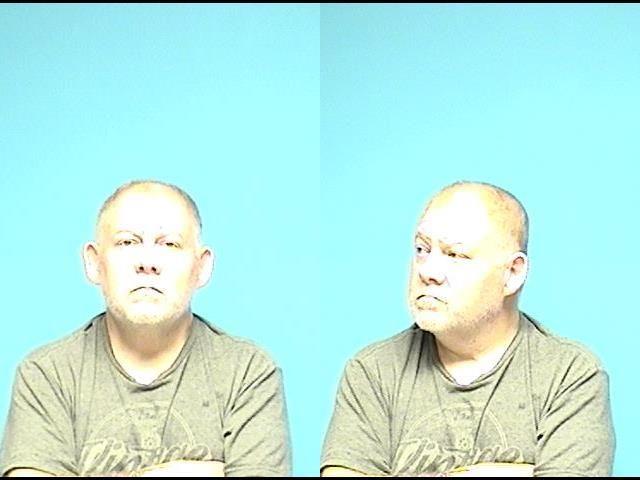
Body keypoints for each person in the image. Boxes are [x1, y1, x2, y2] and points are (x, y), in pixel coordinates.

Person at [321, 181, 615, 477]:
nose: (428, 271)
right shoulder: (372, 371)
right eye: (422, 249)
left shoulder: (570, 373)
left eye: (455, 255)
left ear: (512, 274)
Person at [0, 180, 291, 477]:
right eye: (127, 242)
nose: (147, 263)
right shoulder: (47, 374)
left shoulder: (248, 372)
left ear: (201, 267)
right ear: (94, 263)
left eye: (169, 244)